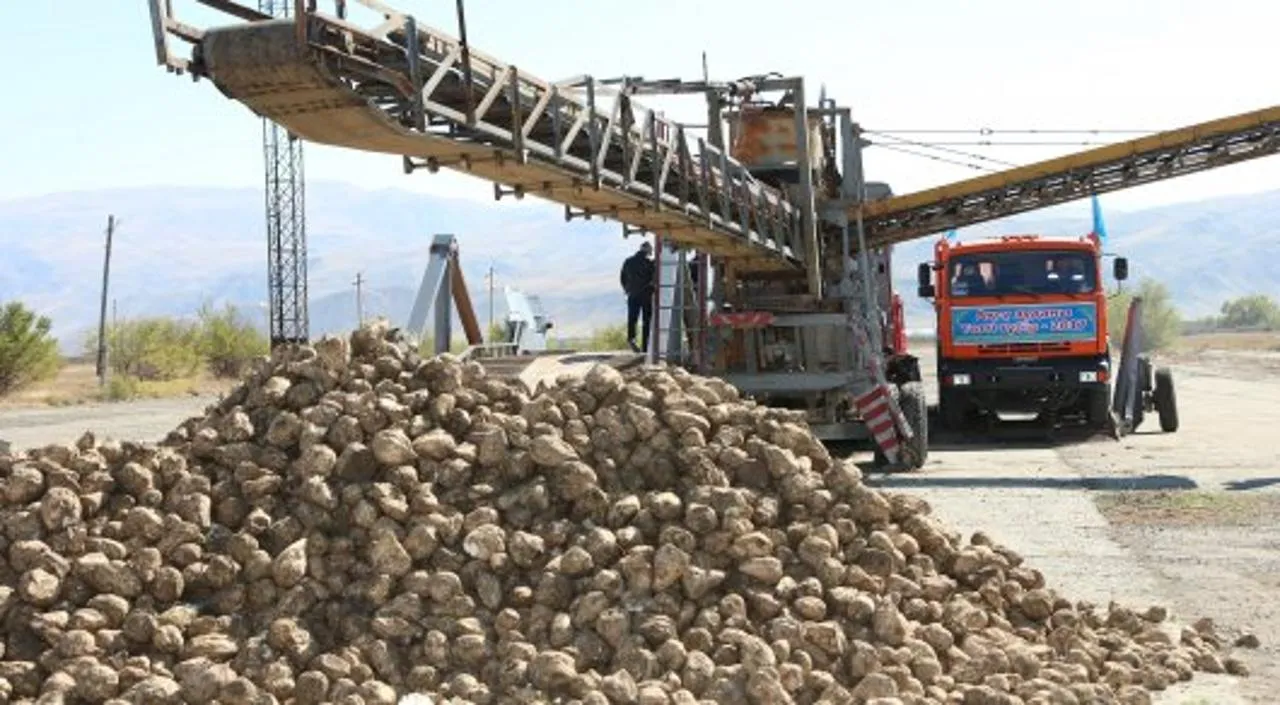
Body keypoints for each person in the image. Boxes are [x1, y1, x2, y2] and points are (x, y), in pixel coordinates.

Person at [620, 241, 656, 353]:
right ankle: (645, 346)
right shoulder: (649, 263)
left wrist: (627, 289)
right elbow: (654, 279)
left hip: (632, 294)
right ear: (648, 250)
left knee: (632, 318)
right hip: (646, 295)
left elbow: (622, 278)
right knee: (647, 320)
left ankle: (631, 338)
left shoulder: (628, 261)